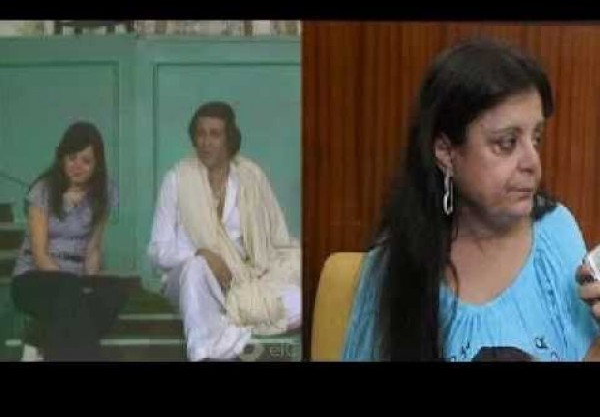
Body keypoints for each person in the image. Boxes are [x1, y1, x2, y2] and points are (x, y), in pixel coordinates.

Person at [342, 38, 600, 361]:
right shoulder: (394, 266)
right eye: (506, 143)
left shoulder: (555, 228)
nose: (532, 161)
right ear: (446, 152)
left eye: (536, 138)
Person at [148, 101, 301, 361]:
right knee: (195, 270)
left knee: (297, 298)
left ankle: (226, 327)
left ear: (229, 139)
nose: (206, 142)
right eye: (200, 134)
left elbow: (277, 240)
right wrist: (202, 255)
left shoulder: (250, 177)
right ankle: (204, 352)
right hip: (189, 279)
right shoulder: (177, 179)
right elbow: (156, 252)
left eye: (214, 134)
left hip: (239, 279)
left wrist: (252, 273)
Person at [11, 121, 127, 361]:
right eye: (72, 158)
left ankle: (40, 336)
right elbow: (40, 255)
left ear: (97, 164)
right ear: (62, 158)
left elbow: (93, 248)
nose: (77, 166)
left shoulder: (104, 192)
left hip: (73, 282)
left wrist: (88, 284)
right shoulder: (43, 190)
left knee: (114, 291)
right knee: (68, 293)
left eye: (86, 161)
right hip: (34, 280)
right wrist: (72, 287)